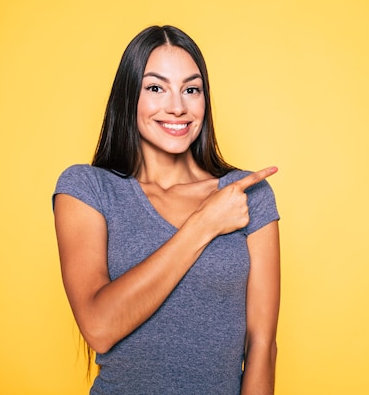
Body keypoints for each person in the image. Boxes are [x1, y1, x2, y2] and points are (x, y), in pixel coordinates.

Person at [53, 25, 280, 395]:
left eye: (191, 89)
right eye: (156, 87)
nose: (177, 106)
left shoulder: (246, 195)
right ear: (129, 97)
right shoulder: (87, 189)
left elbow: (262, 346)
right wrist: (204, 224)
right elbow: (99, 327)